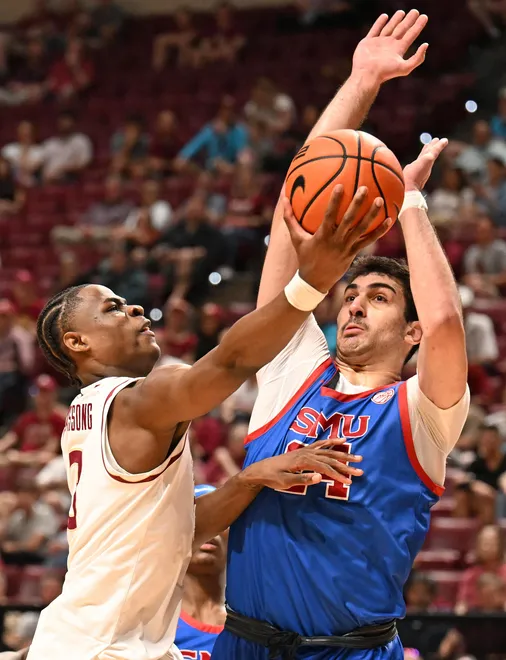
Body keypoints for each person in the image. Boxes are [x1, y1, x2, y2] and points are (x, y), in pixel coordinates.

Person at [26, 171, 386, 658]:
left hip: (86, 639)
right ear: (77, 342)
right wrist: (311, 282)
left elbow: (177, 528)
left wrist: (250, 480)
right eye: (112, 309)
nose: (134, 308)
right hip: (104, 648)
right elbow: (230, 362)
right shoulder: (135, 401)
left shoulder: (86, 415)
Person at [212, 11, 470, 660]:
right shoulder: (291, 373)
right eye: (349, 295)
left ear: (408, 331)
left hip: (349, 651)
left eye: (377, 297)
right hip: (245, 644)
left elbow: (445, 321)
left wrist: (408, 201)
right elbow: (292, 207)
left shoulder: (424, 412)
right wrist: (360, 84)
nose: (352, 307)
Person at [175, 484, 225, 660]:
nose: (210, 530)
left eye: (221, 519)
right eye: (196, 518)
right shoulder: (152, 619)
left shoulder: (254, 621)